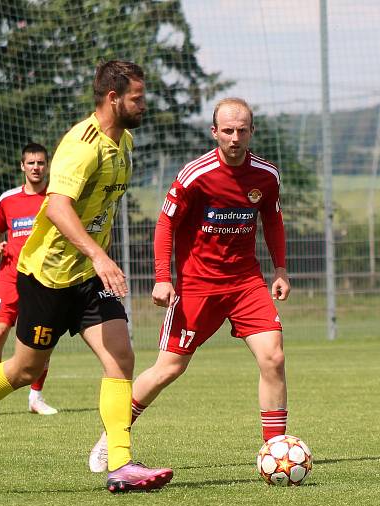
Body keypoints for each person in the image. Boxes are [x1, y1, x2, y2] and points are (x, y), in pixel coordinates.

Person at [0, 60, 174, 493]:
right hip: (46, 277)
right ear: (112, 98)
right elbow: (58, 206)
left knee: (121, 357)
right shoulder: (81, 146)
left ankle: (120, 463)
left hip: (87, 278)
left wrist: (95, 262)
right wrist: (100, 255)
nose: (144, 104)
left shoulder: (125, 143)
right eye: (137, 98)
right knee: (26, 370)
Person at [87, 97, 291, 472]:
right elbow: (166, 224)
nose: (234, 137)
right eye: (227, 130)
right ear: (215, 132)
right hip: (197, 288)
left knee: (273, 357)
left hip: (246, 283)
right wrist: (163, 278)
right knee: (168, 369)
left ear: (251, 132)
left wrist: (280, 270)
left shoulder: (266, 175)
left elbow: (273, 221)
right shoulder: (195, 174)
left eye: (241, 130)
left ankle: (276, 451)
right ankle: (114, 435)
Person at [0, 142, 57, 418]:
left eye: (40, 163)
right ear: (22, 166)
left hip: (43, 278)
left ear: (46, 166)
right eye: (31, 163)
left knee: (40, 338)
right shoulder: (8, 199)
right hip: (10, 276)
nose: (36, 168)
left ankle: (35, 397)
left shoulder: (56, 198)